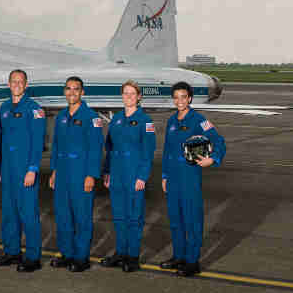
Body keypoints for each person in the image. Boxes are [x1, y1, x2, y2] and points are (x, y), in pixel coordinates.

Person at [160, 81, 226, 277]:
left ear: (189, 98)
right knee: (175, 221)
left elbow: (218, 141)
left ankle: (192, 261)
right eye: (176, 97)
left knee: (192, 220)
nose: (179, 100)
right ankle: (179, 257)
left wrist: (213, 159)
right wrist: (164, 175)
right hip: (173, 178)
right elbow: (166, 151)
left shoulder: (199, 119)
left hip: (189, 176)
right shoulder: (172, 121)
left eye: (183, 97)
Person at [48, 76, 104, 272]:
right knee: (63, 215)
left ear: (82, 92)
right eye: (68, 89)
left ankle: (81, 257)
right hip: (62, 173)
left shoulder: (91, 117)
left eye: (76, 89)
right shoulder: (61, 116)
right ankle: (67, 253)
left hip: (81, 174)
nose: (72, 92)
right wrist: (54, 171)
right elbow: (55, 146)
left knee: (81, 217)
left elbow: (96, 149)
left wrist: (91, 175)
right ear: (65, 91)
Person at [99, 80, 155, 273]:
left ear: (139, 97)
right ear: (122, 96)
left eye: (132, 94)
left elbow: (148, 152)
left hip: (133, 175)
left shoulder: (145, 121)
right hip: (116, 174)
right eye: (125, 93)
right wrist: (106, 172)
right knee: (119, 217)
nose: (129, 97)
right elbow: (110, 148)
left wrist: (142, 176)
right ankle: (120, 253)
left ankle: (132, 257)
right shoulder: (116, 119)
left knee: (134, 218)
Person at [0, 70, 46, 273]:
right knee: (9, 213)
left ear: (26, 85)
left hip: (25, 169)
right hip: (7, 169)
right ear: (9, 84)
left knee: (28, 214)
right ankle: (12, 251)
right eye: (13, 81)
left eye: (20, 82)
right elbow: (1, 139)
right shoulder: (5, 107)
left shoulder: (34, 109)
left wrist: (33, 169)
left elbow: (37, 142)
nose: (17, 84)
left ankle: (33, 257)